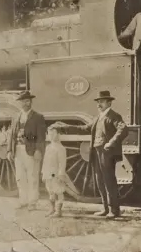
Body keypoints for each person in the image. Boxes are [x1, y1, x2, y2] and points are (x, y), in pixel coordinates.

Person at [54, 90, 128, 218]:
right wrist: (66, 126)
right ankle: (105, 209)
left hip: (106, 153)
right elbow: (84, 128)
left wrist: (111, 142)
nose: (99, 104)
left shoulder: (114, 116)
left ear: (109, 103)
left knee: (109, 180)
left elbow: (123, 129)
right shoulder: (98, 117)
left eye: (102, 102)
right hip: (96, 152)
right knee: (100, 181)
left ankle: (114, 210)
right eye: (98, 102)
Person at [7, 90, 47, 210]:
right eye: (24, 101)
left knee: (33, 177)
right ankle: (23, 200)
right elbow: (11, 135)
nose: (26, 102)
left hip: (31, 150)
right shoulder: (15, 117)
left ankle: (32, 202)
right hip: (18, 150)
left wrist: (38, 150)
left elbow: (41, 136)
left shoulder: (38, 117)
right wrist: (9, 150)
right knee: (20, 177)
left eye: (28, 100)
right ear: (20, 103)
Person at [41, 126, 68, 218]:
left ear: (59, 135)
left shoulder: (61, 148)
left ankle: (58, 211)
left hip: (55, 174)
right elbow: (45, 161)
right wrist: (43, 173)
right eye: (50, 134)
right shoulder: (48, 147)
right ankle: (52, 209)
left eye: (54, 134)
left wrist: (61, 174)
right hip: (48, 173)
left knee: (59, 191)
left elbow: (62, 163)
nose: (52, 136)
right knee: (50, 191)